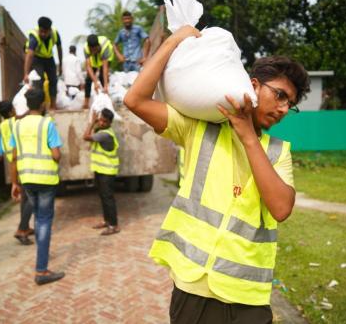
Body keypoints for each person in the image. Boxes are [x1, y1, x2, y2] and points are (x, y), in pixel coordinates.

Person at [124, 26, 310, 323]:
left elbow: (281, 208)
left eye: (291, 104)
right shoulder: (199, 130)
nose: (284, 108)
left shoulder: (278, 151)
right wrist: (173, 40)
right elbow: (135, 100)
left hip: (248, 296)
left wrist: (248, 135)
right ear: (253, 85)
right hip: (194, 288)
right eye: (280, 95)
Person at [10, 88, 65, 285]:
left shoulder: (17, 125)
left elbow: (14, 157)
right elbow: (56, 155)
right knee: (43, 222)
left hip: (27, 180)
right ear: (43, 104)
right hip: (46, 180)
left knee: (37, 220)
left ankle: (41, 263)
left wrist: (14, 182)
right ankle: (41, 270)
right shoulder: (47, 124)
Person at [0, 101, 34, 245]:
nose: (15, 110)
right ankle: (21, 229)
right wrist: (31, 109)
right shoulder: (14, 122)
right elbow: (21, 117)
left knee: (25, 197)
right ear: (10, 112)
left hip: (12, 161)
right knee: (31, 197)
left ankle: (25, 227)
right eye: (13, 108)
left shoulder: (2, 125)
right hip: (18, 161)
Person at [83, 108, 120, 236]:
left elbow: (86, 137)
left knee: (108, 198)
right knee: (103, 197)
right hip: (101, 170)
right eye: (100, 120)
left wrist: (92, 122)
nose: (102, 123)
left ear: (110, 123)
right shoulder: (102, 131)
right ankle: (107, 221)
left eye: (105, 121)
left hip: (107, 171)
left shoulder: (105, 134)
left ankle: (114, 225)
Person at [24, 16, 63, 110]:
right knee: (39, 79)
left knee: (53, 80)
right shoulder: (34, 36)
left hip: (49, 57)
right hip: (37, 58)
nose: (42, 34)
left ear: (49, 30)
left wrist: (60, 64)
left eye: (45, 32)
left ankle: (53, 105)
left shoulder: (55, 34)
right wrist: (26, 73)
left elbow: (59, 49)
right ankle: (40, 106)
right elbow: (29, 55)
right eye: (41, 31)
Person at [83, 34, 114, 109]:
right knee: (88, 79)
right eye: (91, 50)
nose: (93, 52)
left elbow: (105, 68)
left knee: (102, 77)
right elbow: (88, 66)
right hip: (95, 60)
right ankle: (86, 102)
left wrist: (106, 85)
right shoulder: (86, 48)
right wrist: (95, 82)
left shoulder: (105, 47)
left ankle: (107, 99)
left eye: (94, 50)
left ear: (98, 46)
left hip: (106, 57)